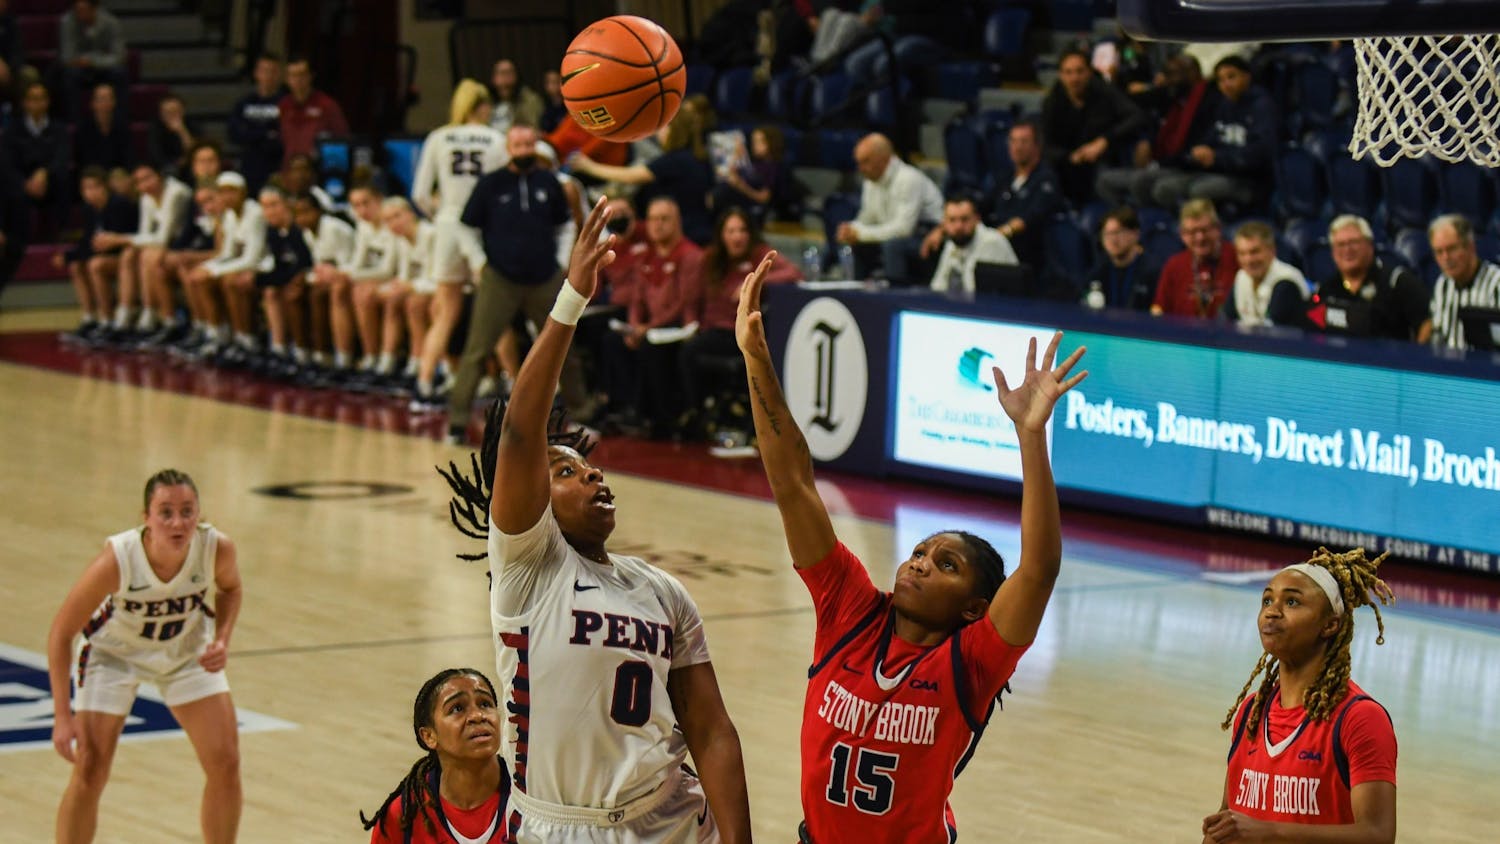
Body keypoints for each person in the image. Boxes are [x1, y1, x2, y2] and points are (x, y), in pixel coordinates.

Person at [735, 252, 1087, 841]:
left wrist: (1030, 435)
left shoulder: (972, 662)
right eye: (921, 552)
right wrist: (756, 358)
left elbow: (1040, 569)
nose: (919, 563)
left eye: (944, 565)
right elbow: (793, 482)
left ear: (975, 608)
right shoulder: (849, 609)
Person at [437, 197, 752, 840]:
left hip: (670, 819)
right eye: (566, 472)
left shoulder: (663, 592)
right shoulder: (528, 569)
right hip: (562, 825)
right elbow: (523, 428)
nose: (592, 474)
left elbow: (712, 728)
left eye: (590, 468)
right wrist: (571, 301)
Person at [47, 469, 244, 844]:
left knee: (226, 762)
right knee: (90, 768)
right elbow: (61, 632)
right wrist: (61, 715)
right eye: (165, 512)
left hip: (184, 653)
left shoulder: (216, 548)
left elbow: (231, 589)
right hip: (114, 656)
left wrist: (222, 639)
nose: (178, 522)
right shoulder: (118, 560)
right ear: (146, 519)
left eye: (187, 511)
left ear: (199, 514)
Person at [1203, 548, 1397, 843]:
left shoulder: (1359, 718)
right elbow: (1227, 824)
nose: (1272, 611)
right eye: (1267, 600)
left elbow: (1377, 835)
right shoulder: (1251, 711)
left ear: (1330, 624)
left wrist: (1269, 832)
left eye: (1292, 602)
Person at [447, 125, 585, 443]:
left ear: (535, 147)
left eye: (529, 144)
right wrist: (478, 262)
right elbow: (466, 227)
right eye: (518, 145)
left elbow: (565, 225)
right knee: (477, 350)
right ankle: (456, 421)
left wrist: (562, 262)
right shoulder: (491, 184)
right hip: (500, 278)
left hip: (544, 277)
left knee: (564, 347)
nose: (524, 150)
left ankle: (582, 413)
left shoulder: (550, 183)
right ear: (508, 148)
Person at [410, 79, 507, 408]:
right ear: (481, 107)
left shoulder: (438, 137)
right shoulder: (496, 139)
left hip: (449, 224)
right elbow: (500, 189)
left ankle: (423, 383)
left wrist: (442, 213)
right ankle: (512, 380)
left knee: (445, 311)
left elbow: (419, 194)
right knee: (496, 307)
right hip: (483, 227)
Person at [679, 207, 801, 436]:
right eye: (731, 231)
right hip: (710, 330)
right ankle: (697, 413)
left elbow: (794, 273)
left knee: (691, 352)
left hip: (740, 333)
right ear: (722, 235)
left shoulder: (759, 254)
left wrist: (755, 282)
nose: (737, 236)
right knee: (683, 349)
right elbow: (692, 299)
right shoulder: (710, 259)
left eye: (742, 230)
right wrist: (690, 324)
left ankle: (702, 414)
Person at [362, 668, 512, 844]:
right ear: (429, 736)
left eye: (485, 704)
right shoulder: (403, 816)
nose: (477, 716)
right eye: (457, 708)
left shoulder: (531, 796)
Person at [602, 197, 703, 438]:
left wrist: (646, 328)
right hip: (650, 327)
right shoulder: (646, 256)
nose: (657, 225)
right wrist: (635, 325)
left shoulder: (691, 255)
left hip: (679, 327)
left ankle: (658, 418)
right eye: (653, 219)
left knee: (651, 347)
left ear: (678, 222)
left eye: (664, 219)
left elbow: (684, 303)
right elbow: (636, 299)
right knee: (612, 341)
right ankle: (624, 408)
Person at [1132, 56, 1277, 211]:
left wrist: (1217, 158)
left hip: (1248, 179)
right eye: (1221, 80)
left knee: (1198, 191)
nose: (1226, 84)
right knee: (1155, 185)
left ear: (1247, 76)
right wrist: (1200, 152)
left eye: (1231, 77)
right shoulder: (1224, 105)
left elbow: (1262, 153)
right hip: (1217, 171)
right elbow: (1211, 138)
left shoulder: (1262, 106)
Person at [570, 115, 716, 246]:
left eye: (663, 126)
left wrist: (589, 166)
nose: (658, 132)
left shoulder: (676, 160)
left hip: (688, 236)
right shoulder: (697, 158)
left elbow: (632, 176)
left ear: (674, 130)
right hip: (700, 230)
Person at [1040, 49, 1148, 206]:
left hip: (1104, 158)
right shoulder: (1052, 102)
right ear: (1061, 75)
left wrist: (1104, 141)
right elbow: (1046, 144)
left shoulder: (1104, 91)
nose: (1074, 78)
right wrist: (1070, 156)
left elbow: (1136, 116)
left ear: (1089, 72)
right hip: (1067, 161)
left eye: (1079, 71)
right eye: (1068, 72)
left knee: (1103, 177)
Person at [834, 132, 943, 285]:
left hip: (928, 236)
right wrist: (851, 229)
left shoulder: (908, 179)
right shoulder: (871, 181)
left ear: (883, 158)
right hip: (892, 233)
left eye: (865, 162)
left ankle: (894, 295)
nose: (860, 168)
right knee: (853, 242)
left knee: (892, 246)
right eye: (858, 163)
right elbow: (866, 218)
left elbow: (904, 230)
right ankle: (854, 290)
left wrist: (861, 233)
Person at [1308, 215, 1429, 342]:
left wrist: (1415, 355)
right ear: (1333, 252)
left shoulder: (1397, 281)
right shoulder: (1326, 289)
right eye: (1340, 245)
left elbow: (1426, 321)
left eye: (1353, 242)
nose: (1347, 250)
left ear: (1370, 245)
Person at [57, 167, 138, 344]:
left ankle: (108, 320)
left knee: (96, 264)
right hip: (106, 255)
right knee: (76, 265)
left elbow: (116, 242)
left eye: (94, 187)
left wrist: (76, 254)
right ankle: (89, 318)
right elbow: (88, 241)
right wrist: (70, 256)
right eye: (85, 188)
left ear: (105, 187)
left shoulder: (119, 205)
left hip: (129, 256)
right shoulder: (89, 210)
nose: (90, 192)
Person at [254, 185, 313, 376]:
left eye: (274, 205)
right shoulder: (273, 231)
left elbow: (307, 262)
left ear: (287, 204)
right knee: (271, 291)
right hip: (294, 277)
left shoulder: (300, 229)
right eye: (265, 207)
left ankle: (303, 354)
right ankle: (278, 349)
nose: (270, 211)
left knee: (290, 293)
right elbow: (281, 266)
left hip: (313, 278)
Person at [1423, 213, 1500, 350]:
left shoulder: (1496, 283)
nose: (1445, 258)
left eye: (1451, 249)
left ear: (1470, 247)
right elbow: (1437, 332)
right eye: (1439, 252)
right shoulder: (1442, 284)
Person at [1152, 199, 1238, 319]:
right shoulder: (1174, 265)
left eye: (1204, 230)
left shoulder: (1238, 258)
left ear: (1218, 229)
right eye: (1192, 232)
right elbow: (1159, 311)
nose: (1200, 238)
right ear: (1182, 235)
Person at [5, 82, 71, 237]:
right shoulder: (13, 131)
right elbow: (7, 163)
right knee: (8, 185)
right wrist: (24, 182)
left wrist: (45, 173)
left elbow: (61, 158)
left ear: (48, 102)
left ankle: (63, 231)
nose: (37, 103)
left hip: (50, 181)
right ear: (25, 103)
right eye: (33, 99)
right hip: (23, 183)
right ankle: (17, 238)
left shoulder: (59, 129)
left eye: (41, 98)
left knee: (64, 178)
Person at [928, 192, 1019, 295]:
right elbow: (937, 286)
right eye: (952, 220)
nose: (958, 227)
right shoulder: (953, 243)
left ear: (977, 219)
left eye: (964, 219)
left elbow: (977, 294)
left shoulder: (992, 242)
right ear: (944, 223)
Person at [1222, 221, 1309, 327]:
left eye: (1254, 252)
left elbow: (1274, 333)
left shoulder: (1286, 282)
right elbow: (1225, 321)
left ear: (1272, 251)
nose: (1248, 260)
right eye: (1242, 253)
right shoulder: (1242, 277)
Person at [55, 0, 127, 122]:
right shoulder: (67, 22)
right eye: (78, 10)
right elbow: (67, 56)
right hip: (79, 69)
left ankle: (119, 120)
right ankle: (74, 121)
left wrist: (92, 61)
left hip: (103, 69)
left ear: (95, 9)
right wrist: (83, 61)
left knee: (119, 73)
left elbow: (119, 57)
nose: (80, 14)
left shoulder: (111, 22)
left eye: (84, 10)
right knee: (69, 74)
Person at [227, 53, 285, 192]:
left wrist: (252, 132)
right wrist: (265, 133)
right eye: (264, 71)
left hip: (277, 167)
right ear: (256, 73)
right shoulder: (245, 103)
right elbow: (234, 134)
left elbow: (283, 136)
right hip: (250, 166)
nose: (268, 76)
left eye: (273, 71)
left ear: (279, 75)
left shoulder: (286, 102)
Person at [1085, 206, 1160, 310]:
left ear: (1135, 234)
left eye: (1117, 233)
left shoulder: (1152, 272)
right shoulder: (1098, 271)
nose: (1113, 240)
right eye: (1107, 234)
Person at [279, 55, 349, 166]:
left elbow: (342, 139)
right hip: (289, 172)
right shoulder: (283, 105)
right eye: (293, 75)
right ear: (287, 79)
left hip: (317, 170)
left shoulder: (327, 105)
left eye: (302, 74)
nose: (298, 80)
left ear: (311, 76)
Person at [74, 83, 130, 175]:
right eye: (101, 99)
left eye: (109, 98)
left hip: (117, 176)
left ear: (114, 102)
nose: (105, 102)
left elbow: (128, 158)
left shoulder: (122, 127)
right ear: (92, 103)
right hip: (92, 175)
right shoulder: (83, 129)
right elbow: (83, 161)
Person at [148, 93, 200, 178]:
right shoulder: (156, 129)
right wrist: (177, 163)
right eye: (167, 112)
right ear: (161, 114)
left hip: (190, 170)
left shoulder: (192, 126)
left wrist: (182, 132)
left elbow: (197, 152)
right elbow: (156, 156)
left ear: (183, 111)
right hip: (165, 170)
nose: (172, 115)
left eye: (175, 111)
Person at [488, 58, 543, 136]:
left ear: (516, 75)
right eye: (502, 73)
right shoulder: (487, 100)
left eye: (509, 72)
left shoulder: (529, 99)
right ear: (493, 78)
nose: (505, 77)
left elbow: (532, 127)